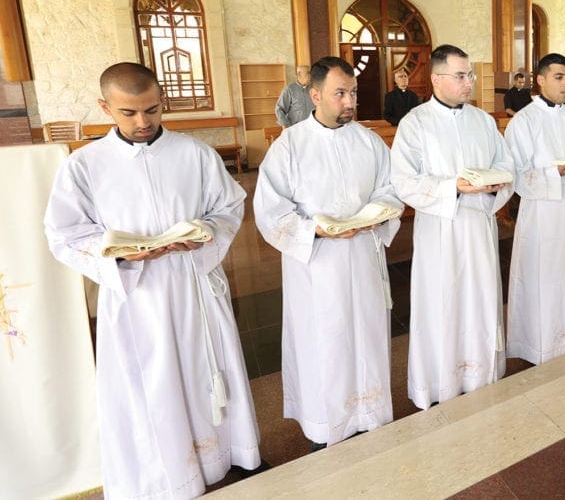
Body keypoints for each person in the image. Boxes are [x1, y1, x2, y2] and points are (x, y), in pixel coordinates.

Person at [44, 63, 262, 498]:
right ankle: (166, 475)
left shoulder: (194, 153)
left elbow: (228, 206)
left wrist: (203, 235)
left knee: (208, 372)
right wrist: (120, 254)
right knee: (152, 384)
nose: (143, 122)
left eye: (152, 109)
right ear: (104, 107)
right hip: (136, 296)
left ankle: (226, 455)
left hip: (193, 282)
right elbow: (64, 234)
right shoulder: (84, 166)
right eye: (128, 113)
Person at [254, 57, 404, 450]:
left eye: (352, 92)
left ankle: (370, 412)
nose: (349, 101)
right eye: (340, 93)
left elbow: (389, 190)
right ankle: (327, 423)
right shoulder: (289, 145)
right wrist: (312, 230)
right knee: (326, 338)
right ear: (315, 94)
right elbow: (270, 209)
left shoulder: (368, 141)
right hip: (317, 265)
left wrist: (380, 215)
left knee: (367, 332)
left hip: (363, 257)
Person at [390, 44, 513, 409]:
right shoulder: (416, 123)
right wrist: (451, 188)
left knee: (480, 296)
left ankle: (480, 373)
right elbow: (403, 180)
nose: (468, 83)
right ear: (436, 78)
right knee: (442, 302)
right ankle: (440, 381)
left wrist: (494, 186)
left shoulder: (482, 121)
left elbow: (506, 165)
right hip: (440, 231)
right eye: (460, 76)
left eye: (470, 75)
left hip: (477, 227)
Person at [504, 53, 565, 364]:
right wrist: (557, 173)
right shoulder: (523, 121)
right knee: (542, 276)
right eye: (559, 77)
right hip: (542, 214)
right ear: (540, 80)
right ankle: (537, 342)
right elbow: (517, 174)